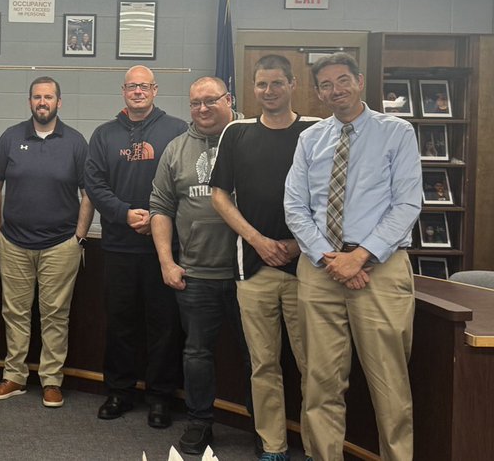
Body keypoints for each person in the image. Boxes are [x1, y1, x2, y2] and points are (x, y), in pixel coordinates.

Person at [285, 52, 420, 461]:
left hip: (380, 269)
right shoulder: (310, 139)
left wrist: (360, 256)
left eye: (342, 80)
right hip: (321, 269)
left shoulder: (396, 132)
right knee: (320, 383)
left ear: (359, 82)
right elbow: (295, 207)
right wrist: (333, 259)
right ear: (318, 92)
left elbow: (407, 204)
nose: (335, 90)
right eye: (325, 85)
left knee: (390, 385)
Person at [210, 55, 319, 461]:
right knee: (264, 365)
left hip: (308, 268)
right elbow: (220, 196)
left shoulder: (315, 131)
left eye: (276, 83)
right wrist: (257, 240)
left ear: (292, 85)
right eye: (261, 85)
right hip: (253, 268)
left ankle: (315, 445)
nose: (269, 91)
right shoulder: (236, 133)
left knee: (314, 366)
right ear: (252, 89)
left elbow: (329, 200)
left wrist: (295, 243)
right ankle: (273, 447)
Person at [84, 65, 186, 428]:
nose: (138, 92)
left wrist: (158, 218)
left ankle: (160, 397)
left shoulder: (177, 130)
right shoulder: (104, 134)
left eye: (144, 86)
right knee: (120, 323)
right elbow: (93, 183)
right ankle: (120, 392)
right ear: (123, 91)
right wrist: (125, 214)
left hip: (163, 250)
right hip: (118, 247)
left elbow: (184, 181)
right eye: (132, 86)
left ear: (155, 90)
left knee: (163, 325)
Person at [150, 77, 245, 455]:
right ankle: (200, 422)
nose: (202, 109)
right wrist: (167, 262)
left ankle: (265, 427)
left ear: (229, 100)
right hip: (196, 274)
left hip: (247, 274)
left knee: (258, 356)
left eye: (210, 101)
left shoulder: (250, 138)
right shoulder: (177, 149)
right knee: (197, 354)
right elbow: (160, 207)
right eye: (194, 103)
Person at [0, 77, 93, 408]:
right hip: (14, 243)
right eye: (37, 97)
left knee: (55, 315)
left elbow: (89, 192)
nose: (42, 102)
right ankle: (14, 376)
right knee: (14, 312)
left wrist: (79, 235)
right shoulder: (11, 137)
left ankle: (51, 380)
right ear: (29, 101)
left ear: (59, 102)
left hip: (61, 245)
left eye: (48, 97)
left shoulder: (76, 143)